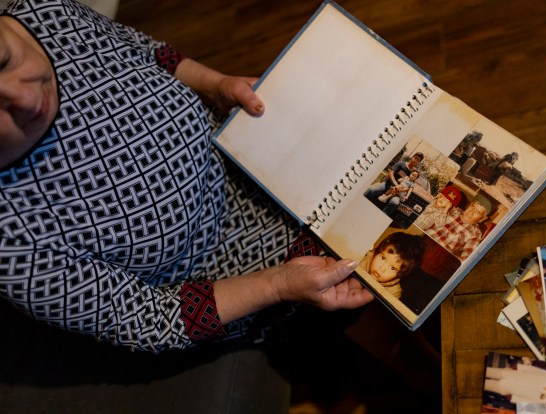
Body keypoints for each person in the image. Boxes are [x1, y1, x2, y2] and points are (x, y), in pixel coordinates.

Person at [0, 0, 373, 353]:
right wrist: (278, 284)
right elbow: (145, 319)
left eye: (3, 60)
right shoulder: (10, 243)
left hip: (242, 156)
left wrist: (213, 83)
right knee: (372, 274)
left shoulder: (45, 11)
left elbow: (147, 50)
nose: (26, 98)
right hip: (229, 268)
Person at [425, 193, 493, 261]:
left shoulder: (476, 234)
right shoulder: (453, 209)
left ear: (482, 219)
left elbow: (465, 260)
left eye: (477, 212)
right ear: (469, 204)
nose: (471, 212)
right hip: (424, 239)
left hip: (437, 256)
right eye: (472, 207)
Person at [359, 232, 423, 298]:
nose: (382, 268)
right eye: (383, 258)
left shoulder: (393, 293)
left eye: (392, 268)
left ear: (400, 274)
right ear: (377, 252)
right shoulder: (360, 260)